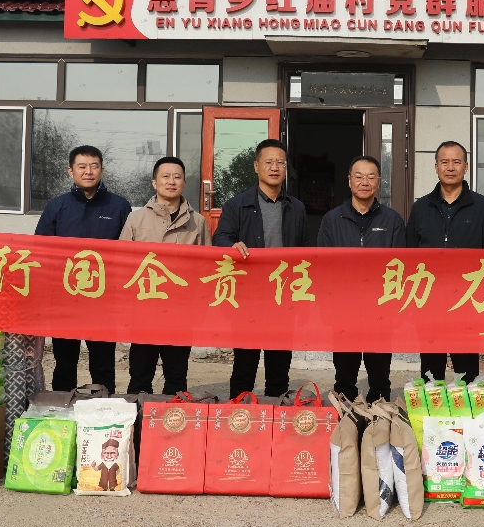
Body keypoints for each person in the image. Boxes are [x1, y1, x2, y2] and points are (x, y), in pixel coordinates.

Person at [214, 138, 309, 399]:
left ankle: (275, 412)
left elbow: (305, 251)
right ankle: (239, 413)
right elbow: (220, 238)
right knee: (245, 363)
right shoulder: (237, 205)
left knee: (279, 366)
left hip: (283, 296)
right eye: (269, 162)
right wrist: (232, 245)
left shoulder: (297, 207)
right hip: (248, 297)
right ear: (256, 166)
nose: (274, 167)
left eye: (280, 162)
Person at [35, 145, 132, 394]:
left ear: (102, 170)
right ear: (71, 171)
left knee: (103, 363)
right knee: (64, 362)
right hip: (64, 299)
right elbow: (40, 251)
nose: (88, 172)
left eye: (94, 166)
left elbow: (130, 253)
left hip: (104, 300)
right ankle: (62, 407)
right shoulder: (57, 207)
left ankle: (103, 407)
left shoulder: (119, 207)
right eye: (82, 166)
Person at [406, 141, 484, 384]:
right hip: (429, 301)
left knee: (467, 372)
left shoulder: (483, 207)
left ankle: (466, 407)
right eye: (445, 162)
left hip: (468, 302)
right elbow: (409, 256)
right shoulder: (421, 208)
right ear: (436, 166)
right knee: (430, 372)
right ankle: (432, 407)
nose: (450, 167)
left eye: (456, 162)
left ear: (466, 167)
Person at [118, 156, 211, 395]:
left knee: (176, 375)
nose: (171, 182)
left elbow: (207, 267)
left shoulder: (197, 222)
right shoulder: (136, 219)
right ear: (154, 183)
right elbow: (122, 264)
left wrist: (201, 308)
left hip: (181, 309)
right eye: (166, 176)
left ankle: (173, 416)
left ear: (184, 183)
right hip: (144, 308)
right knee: (140, 374)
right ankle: (139, 414)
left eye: (177, 177)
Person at [317, 154, 407, 402]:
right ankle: (346, 415)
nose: (364, 182)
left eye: (370, 177)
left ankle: (380, 416)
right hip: (343, 309)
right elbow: (322, 267)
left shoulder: (392, 220)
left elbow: (401, 267)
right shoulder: (332, 219)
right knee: (344, 375)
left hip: (381, 309)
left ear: (379, 182)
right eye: (358, 176)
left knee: (380, 376)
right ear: (349, 181)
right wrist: (326, 307)